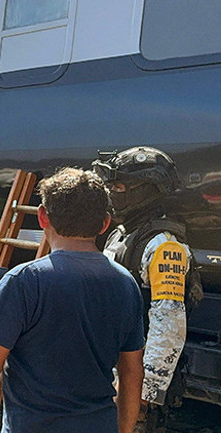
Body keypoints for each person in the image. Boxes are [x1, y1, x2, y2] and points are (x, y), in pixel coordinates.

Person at [0, 167, 145, 433]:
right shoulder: (125, 283)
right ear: (105, 223)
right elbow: (132, 373)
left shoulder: (22, 282)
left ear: (42, 217)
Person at [93, 147, 193, 432]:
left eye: (120, 186)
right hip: (112, 372)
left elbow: (169, 325)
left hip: (131, 386)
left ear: (147, 189)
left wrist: (142, 395)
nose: (113, 192)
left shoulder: (164, 246)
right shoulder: (122, 234)